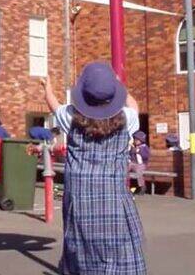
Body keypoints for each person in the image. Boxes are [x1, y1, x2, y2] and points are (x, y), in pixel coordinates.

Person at [41, 63, 146, 275]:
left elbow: (54, 106)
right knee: (119, 249)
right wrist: (120, 87)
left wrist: (48, 90)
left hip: (81, 199)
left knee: (81, 250)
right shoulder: (127, 118)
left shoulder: (70, 117)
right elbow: (134, 105)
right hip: (114, 198)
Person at [129, 131, 150, 195]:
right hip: (134, 163)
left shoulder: (144, 147)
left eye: (137, 140)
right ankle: (126, 185)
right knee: (126, 168)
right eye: (135, 139)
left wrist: (139, 151)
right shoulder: (134, 147)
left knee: (139, 172)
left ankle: (142, 187)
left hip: (141, 164)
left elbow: (146, 156)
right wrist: (132, 151)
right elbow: (130, 155)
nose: (135, 141)